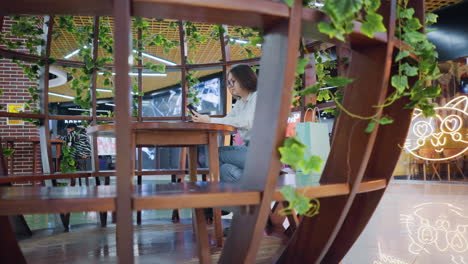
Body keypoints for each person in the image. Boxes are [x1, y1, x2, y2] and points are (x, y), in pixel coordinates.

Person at [192, 64, 257, 183]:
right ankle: (249, 185)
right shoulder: (240, 102)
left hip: (262, 152)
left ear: (244, 79)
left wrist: (210, 120)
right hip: (248, 149)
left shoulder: (257, 96)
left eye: (233, 81)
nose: (230, 86)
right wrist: (205, 119)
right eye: (228, 83)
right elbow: (228, 120)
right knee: (225, 169)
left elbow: (246, 122)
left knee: (214, 154)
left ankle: (249, 185)